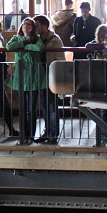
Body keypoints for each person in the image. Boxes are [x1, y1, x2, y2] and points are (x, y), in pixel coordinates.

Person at [5, 17, 45, 144]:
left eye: (29, 25)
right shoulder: (16, 38)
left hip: (33, 76)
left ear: (33, 28)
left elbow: (38, 48)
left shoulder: (37, 39)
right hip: (21, 76)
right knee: (22, 108)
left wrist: (25, 46)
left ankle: (31, 135)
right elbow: (9, 46)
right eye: (24, 24)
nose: (26, 26)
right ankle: (24, 134)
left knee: (32, 108)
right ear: (21, 27)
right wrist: (24, 43)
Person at [85, 23, 107, 147]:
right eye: (105, 37)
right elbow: (88, 46)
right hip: (99, 79)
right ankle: (102, 139)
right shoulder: (96, 44)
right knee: (101, 110)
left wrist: (103, 46)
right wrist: (102, 45)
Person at [34, 14, 66, 143]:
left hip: (52, 76)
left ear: (44, 26)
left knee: (52, 106)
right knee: (45, 106)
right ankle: (47, 132)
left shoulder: (55, 40)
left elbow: (60, 59)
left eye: (37, 26)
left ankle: (53, 133)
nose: (35, 28)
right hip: (41, 77)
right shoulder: (37, 40)